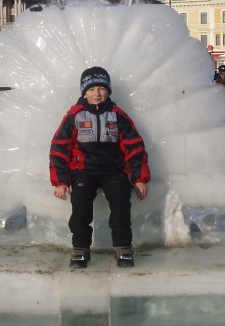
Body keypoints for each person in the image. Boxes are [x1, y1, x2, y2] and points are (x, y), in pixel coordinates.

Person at [49, 66, 150, 269]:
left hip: (113, 169)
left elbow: (134, 147)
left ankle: (123, 247)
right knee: (81, 201)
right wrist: (61, 181)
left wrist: (139, 178)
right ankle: (80, 248)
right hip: (83, 169)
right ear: (84, 92)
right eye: (92, 89)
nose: (97, 93)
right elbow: (59, 148)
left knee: (121, 199)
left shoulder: (117, 115)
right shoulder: (74, 116)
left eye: (101, 89)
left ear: (108, 91)